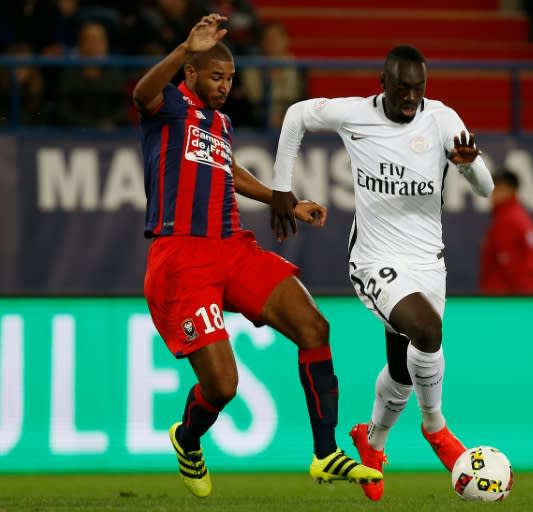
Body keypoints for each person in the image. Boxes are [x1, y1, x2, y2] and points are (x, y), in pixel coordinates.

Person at [132, 13, 382, 498]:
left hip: (233, 246)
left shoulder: (221, 121)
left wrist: (280, 198)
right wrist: (186, 48)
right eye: (215, 77)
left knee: (314, 327)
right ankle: (187, 439)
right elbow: (141, 93)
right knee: (223, 388)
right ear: (191, 74)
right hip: (182, 257)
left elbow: (226, 168)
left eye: (229, 79)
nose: (224, 87)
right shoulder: (166, 107)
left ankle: (326, 453)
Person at [270, 44, 494, 501]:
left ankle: (371, 444)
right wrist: (280, 190)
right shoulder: (354, 114)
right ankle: (436, 429)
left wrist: (469, 169)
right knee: (426, 332)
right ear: (383, 83)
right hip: (373, 259)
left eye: (419, 88)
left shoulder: (443, 119)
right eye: (402, 88)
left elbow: (487, 188)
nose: (411, 97)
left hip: (429, 261)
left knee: (403, 368)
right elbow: (295, 116)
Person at [479, 169, 533, 295]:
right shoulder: (518, 217)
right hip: (524, 298)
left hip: (507, 302)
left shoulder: (506, 221)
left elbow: (512, 268)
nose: (492, 193)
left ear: (510, 190)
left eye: (497, 187)